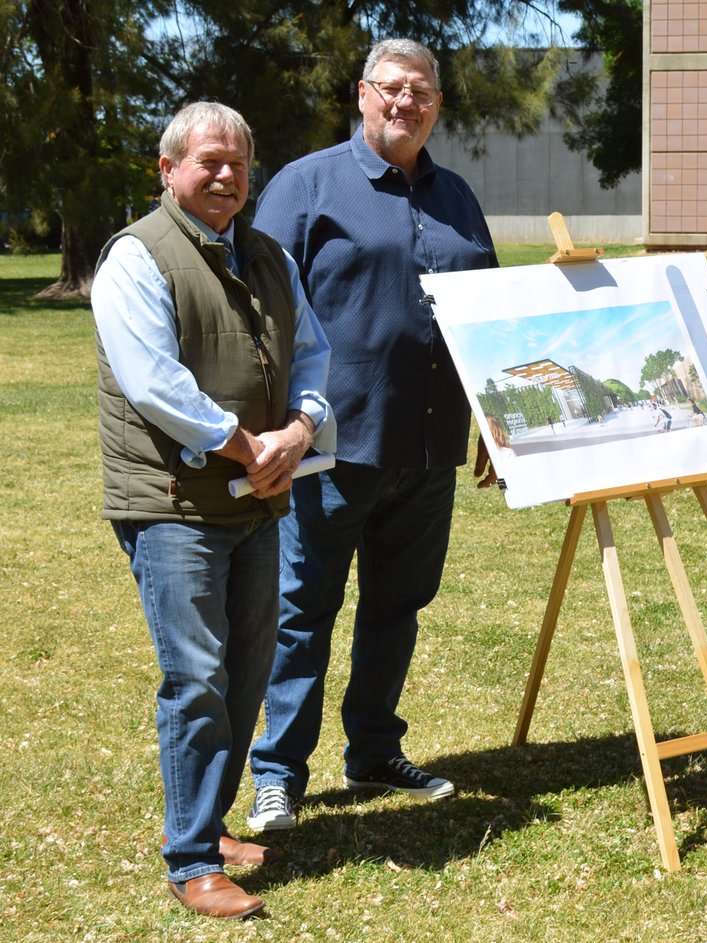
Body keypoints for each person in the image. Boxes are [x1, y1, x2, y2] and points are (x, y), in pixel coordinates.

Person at [245, 37, 498, 832]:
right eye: (391, 89)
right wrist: (274, 426)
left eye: (421, 93)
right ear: (363, 94)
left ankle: (374, 749)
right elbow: (258, 308)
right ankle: (279, 771)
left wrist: (499, 418)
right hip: (328, 446)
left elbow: (491, 316)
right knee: (301, 610)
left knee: (399, 603)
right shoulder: (307, 185)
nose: (405, 104)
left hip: (428, 448)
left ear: (436, 105)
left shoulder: (458, 196)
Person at [91, 102, 335, 918]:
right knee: (196, 677)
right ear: (168, 170)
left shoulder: (266, 256)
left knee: (246, 671)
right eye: (208, 162)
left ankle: (212, 821)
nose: (227, 175)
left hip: (258, 499)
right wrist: (250, 448)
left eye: (239, 162)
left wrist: (299, 429)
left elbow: (315, 353)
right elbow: (155, 382)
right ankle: (192, 858)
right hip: (173, 506)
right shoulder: (136, 255)